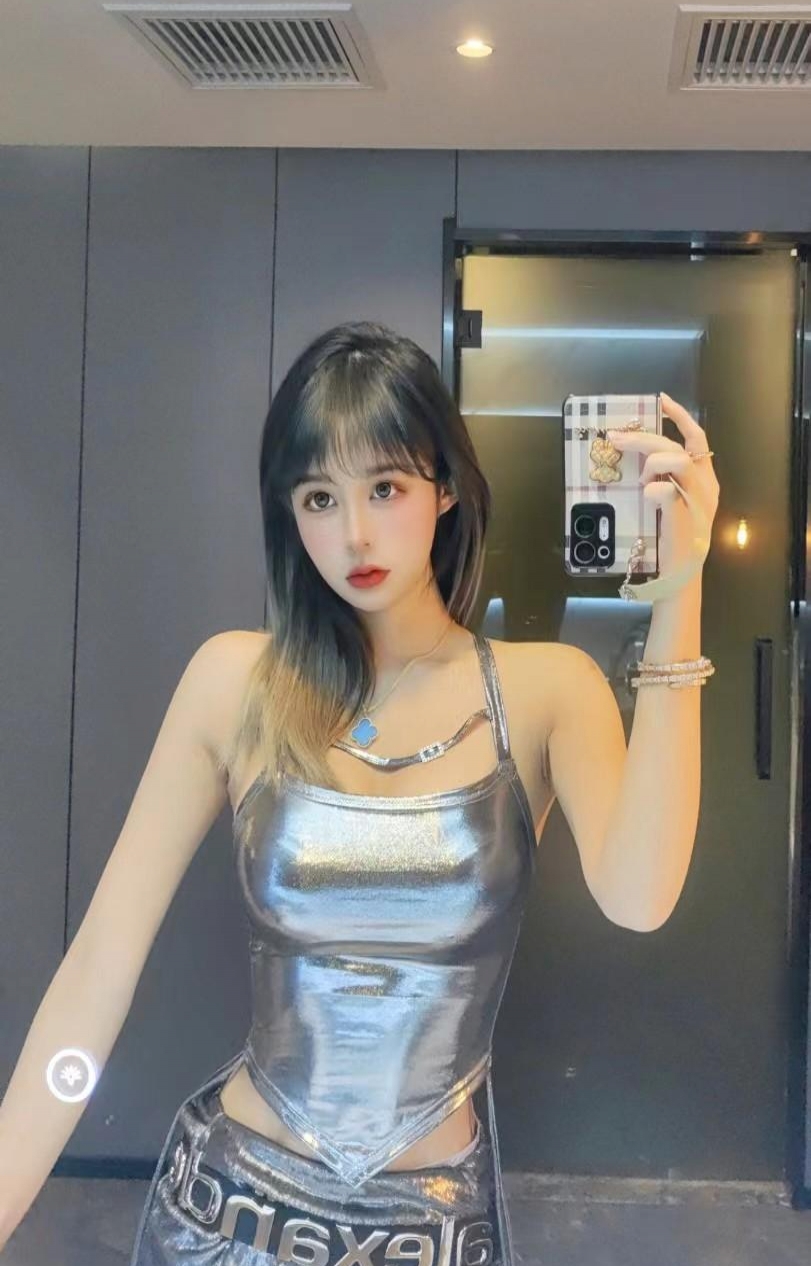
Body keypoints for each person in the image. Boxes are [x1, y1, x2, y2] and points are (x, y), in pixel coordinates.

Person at [0, 321, 717, 1263]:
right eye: (318, 497)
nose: (354, 534)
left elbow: (640, 898)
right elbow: (100, 964)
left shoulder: (546, 691)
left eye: (384, 487)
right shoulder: (236, 684)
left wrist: (678, 593)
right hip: (228, 1216)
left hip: (430, 1232)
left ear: (445, 486)